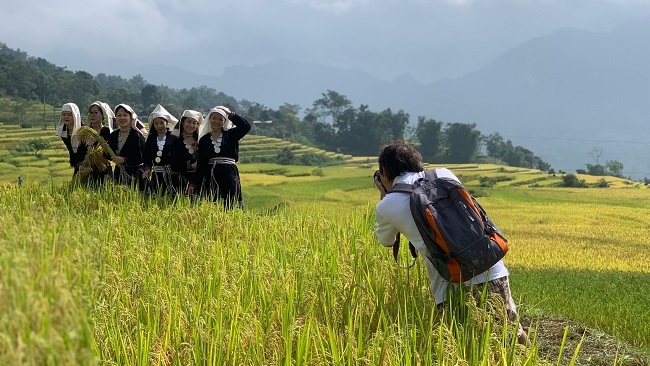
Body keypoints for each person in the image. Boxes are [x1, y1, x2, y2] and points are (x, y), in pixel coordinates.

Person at [373, 141, 529, 346]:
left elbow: (386, 241)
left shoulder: (387, 205)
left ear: (385, 171)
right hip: (491, 266)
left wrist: (384, 193)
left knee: (464, 346)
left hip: (449, 283)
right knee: (511, 333)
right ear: (417, 162)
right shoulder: (444, 174)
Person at [193, 106, 251, 209]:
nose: (217, 121)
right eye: (214, 118)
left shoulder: (231, 135)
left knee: (230, 203)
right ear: (209, 119)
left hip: (229, 174)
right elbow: (201, 165)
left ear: (225, 121)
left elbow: (246, 127)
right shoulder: (204, 140)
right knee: (213, 203)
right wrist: (195, 185)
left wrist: (230, 114)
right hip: (211, 175)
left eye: (221, 119)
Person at [106, 104, 146, 190]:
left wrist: (124, 160)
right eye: (119, 115)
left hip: (136, 175)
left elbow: (142, 157)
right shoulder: (113, 135)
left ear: (131, 118)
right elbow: (109, 156)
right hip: (119, 174)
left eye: (125, 115)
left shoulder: (137, 136)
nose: (122, 118)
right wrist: (105, 149)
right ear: (116, 118)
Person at [142, 104, 178, 195]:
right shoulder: (151, 138)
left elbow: (178, 154)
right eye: (156, 123)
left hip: (172, 175)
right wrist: (148, 168)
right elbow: (147, 156)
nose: (159, 126)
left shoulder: (173, 137)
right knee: (157, 197)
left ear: (166, 123)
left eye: (162, 123)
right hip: (156, 175)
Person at [78, 101, 114, 186]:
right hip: (86, 171)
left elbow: (105, 156)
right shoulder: (85, 132)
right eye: (90, 113)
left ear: (102, 115)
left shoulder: (106, 131)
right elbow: (80, 151)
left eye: (95, 113)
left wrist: (91, 169)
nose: (92, 115)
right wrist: (80, 165)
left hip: (102, 171)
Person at [169, 109, 202, 198]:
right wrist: (191, 166)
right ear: (182, 122)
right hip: (180, 182)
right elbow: (174, 165)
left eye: (194, 123)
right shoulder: (175, 140)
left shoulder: (200, 140)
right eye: (189, 122)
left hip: (199, 180)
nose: (191, 125)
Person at [55, 102, 86, 177]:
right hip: (76, 163)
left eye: (69, 115)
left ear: (75, 115)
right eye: (64, 114)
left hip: (87, 165)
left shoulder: (84, 131)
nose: (66, 117)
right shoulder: (63, 132)